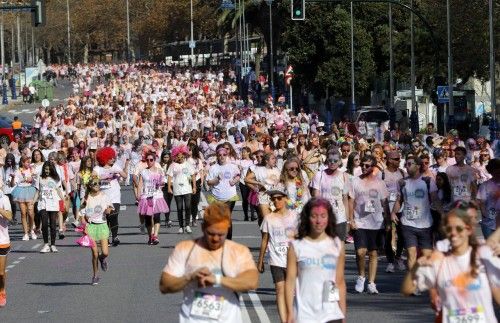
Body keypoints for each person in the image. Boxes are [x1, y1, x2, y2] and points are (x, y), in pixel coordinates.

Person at [159, 203, 259, 323]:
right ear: (202, 228)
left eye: (221, 234)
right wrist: (190, 277)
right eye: (211, 233)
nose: (215, 239)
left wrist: (216, 280)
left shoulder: (238, 251)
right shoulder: (185, 249)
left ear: (228, 228)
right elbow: (164, 285)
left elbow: (251, 282)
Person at [402, 208, 500, 321]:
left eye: (459, 228)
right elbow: (407, 290)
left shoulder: (483, 256)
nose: (453, 233)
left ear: (468, 230)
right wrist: (416, 266)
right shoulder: (439, 260)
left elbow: (497, 293)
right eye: (449, 229)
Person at [285, 198, 346, 323]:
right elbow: (290, 281)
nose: (319, 221)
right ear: (307, 218)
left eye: (323, 216)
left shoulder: (336, 245)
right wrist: (289, 312)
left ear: (329, 218)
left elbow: (339, 281)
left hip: (331, 313)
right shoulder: (297, 246)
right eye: (314, 216)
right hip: (304, 315)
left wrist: (342, 312)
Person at [391, 156, 440, 276]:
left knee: (427, 256)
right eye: (406, 164)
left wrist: (443, 214)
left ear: (417, 166)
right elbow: (399, 200)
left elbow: (435, 199)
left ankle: (423, 278)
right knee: (411, 253)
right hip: (408, 223)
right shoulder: (402, 183)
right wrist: (393, 213)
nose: (406, 166)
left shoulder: (428, 181)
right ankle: (412, 282)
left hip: (425, 224)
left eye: (409, 164)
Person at [348, 155, 390, 294]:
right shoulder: (355, 181)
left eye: (367, 165)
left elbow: (385, 203)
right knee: (360, 252)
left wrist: (388, 221)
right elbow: (351, 201)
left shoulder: (380, 183)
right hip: (360, 221)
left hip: (376, 222)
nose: (364, 168)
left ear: (373, 167)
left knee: (373, 253)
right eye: (362, 165)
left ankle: (371, 283)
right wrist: (351, 220)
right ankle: (361, 276)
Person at [257, 187, 299, 323]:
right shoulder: (269, 218)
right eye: (273, 199)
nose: (276, 201)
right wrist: (260, 260)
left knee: (293, 291)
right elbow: (264, 240)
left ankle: (293, 316)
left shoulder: (295, 216)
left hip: (293, 259)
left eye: (279, 198)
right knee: (280, 290)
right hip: (276, 259)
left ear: (285, 199)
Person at [80, 175, 115, 286]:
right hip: (91, 227)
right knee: (94, 254)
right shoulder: (86, 198)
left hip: (102, 226)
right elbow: (81, 214)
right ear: (90, 186)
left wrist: (108, 210)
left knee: (105, 252)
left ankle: (102, 259)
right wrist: (84, 225)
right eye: (95, 183)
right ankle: (95, 275)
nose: (97, 185)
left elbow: (110, 207)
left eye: (99, 183)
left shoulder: (104, 196)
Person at [93, 147, 128, 246]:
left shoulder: (115, 167)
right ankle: (106, 238)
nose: (113, 159)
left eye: (113, 157)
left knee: (114, 214)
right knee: (106, 217)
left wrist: (120, 172)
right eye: (110, 157)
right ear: (105, 158)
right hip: (103, 197)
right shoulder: (97, 169)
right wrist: (101, 178)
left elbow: (125, 176)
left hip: (115, 195)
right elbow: (93, 179)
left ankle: (115, 236)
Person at [311, 152, 349, 241]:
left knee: (339, 248)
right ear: (327, 160)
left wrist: (347, 221)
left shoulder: (344, 176)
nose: (332, 162)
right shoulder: (319, 175)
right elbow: (315, 198)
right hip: (324, 218)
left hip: (340, 218)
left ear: (340, 162)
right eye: (330, 160)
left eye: (335, 160)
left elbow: (345, 199)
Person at [206, 146, 241, 239]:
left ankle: (228, 240)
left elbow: (238, 175)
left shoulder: (232, 166)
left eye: (224, 154)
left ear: (227, 155)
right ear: (217, 156)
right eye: (220, 155)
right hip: (216, 196)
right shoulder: (213, 168)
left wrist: (234, 181)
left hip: (230, 195)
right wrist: (216, 179)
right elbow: (209, 182)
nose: (222, 156)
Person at [137, 151, 169, 244]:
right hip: (147, 196)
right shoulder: (143, 172)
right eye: (147, 160)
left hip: (157, 195)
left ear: (154, 160)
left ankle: (155, 236)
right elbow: (140, 184)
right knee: (148, 217)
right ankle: (150, 235)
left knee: (156, 216)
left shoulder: (160, 171)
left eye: (151, 160)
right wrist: (138, 195)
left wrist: (161, 183)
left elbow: (164, 181)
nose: (149, 161)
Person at [35, 162, 64, 253]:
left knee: (52, 225)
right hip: (43, 203)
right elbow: (38, 191)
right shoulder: (40, 178)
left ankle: (53, 245)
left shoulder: (55, 178)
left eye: (48, 169)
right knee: (44, 224)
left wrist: (63, 199)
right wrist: (33, 201)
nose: (47, 171)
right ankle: (46, 244)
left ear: (51, 169)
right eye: (45, 169)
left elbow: (58, 190)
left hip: (53, 203)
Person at [167, 145, 196, 234]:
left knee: (187, 207)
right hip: (177, 189)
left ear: (184, 155)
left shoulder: (188, 164)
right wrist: (169, 187)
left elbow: (193, 175)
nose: (180, 158)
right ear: (175, 156)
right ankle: (180, 226)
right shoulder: (173, 165)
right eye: (178, 156)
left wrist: (194, 186)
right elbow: (169, 176)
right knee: (179, 208)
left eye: (181, 156)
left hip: (187, 189)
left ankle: (187, 225)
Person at [11, 156, 37, 241]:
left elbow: (36, 180)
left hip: (30, 190)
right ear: (22, 163)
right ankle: (26, 233)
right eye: (26, 162)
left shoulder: (32, 170)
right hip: (21, 191)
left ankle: (32, 230)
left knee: (30, 212)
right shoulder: (18, 171)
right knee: (23, 213)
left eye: (29, 162)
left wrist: (32, 178)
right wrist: (13, 178)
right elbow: (13, 183)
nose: (28, 164)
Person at [477, 158, 499, 239]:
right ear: (490, 171)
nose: (497, 171)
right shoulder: (484, 185)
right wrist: (485, 214)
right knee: (490, 249)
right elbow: (481, 202)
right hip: (488, 223)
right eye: (495, 169)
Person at [0, 179, 13, 307]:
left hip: (2, 240)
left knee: (1, 273)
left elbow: (9, 216)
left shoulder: (4, 199)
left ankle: (2, 291)